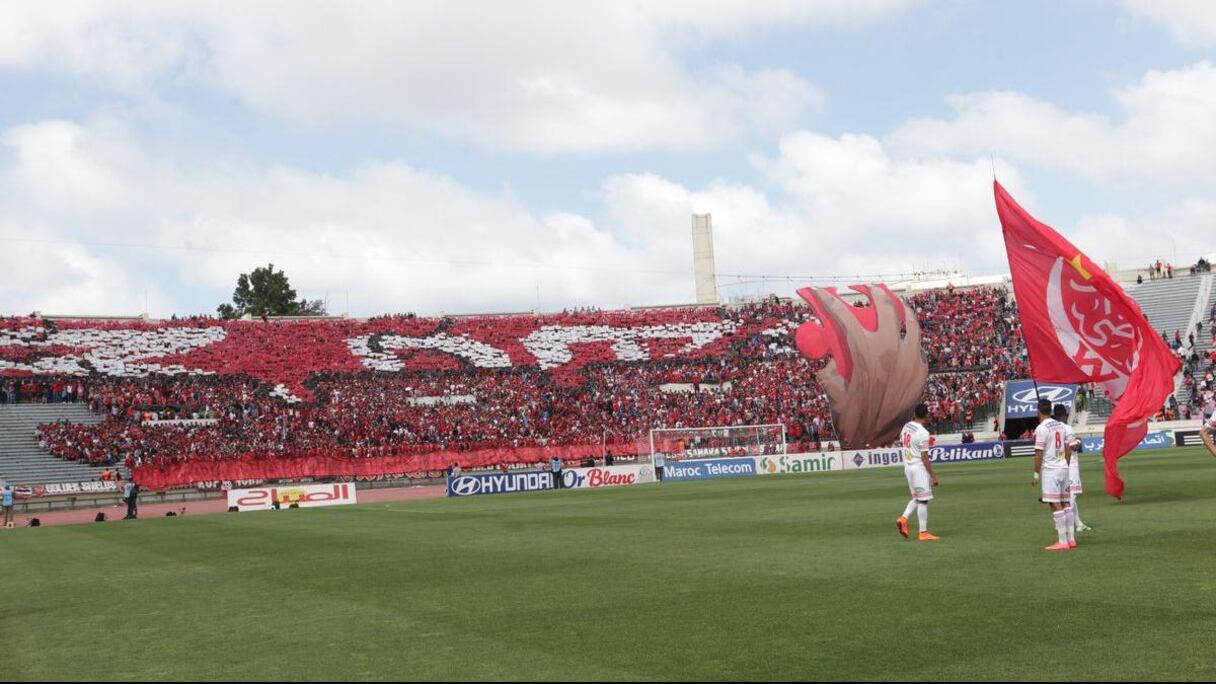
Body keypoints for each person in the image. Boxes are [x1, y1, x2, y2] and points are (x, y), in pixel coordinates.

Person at [1034, 400, 1074, 551]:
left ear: (1038, 411)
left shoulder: (1041, 428)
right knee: (1066, 503)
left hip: (1051, 469)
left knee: (1053, 503)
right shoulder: (1060, 425)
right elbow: (1068, 448)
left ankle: (1062, 542)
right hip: (1063, 466)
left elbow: (1039, 453)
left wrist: (1036, 474)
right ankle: (1071, 539)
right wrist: (1066, 465)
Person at [896, 403, 940, 542]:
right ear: (926, 415)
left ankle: (903, 518)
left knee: (918, 497)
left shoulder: (907, 426)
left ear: (914, 414)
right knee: (923, 500)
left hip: (907, 467)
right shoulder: (923, 433)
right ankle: (923, 532)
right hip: (918, 468)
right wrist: (933, 475)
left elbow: (901, 439)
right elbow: (924, 457)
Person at [1053, 404, 1091, 532]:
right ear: (1065, 415)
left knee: (1067, 495)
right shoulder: (1068, 428)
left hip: (1058, 464)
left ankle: (1078, 523)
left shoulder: (1053, 429)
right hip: (1071, 465)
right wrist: (1079, 441)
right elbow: (1073, 447)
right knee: (1071, 496)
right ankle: (1062, 521)